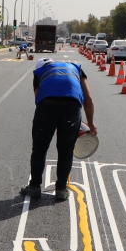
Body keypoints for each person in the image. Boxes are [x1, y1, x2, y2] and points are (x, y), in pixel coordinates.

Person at [20, 58, 97, 201]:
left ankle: (35, 186)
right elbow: (88, 98)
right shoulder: (76, 67)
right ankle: (61, 189)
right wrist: (90, 123)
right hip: (72, 105)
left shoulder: (39, 72)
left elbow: (38, 98)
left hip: (46, 106)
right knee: (66, 149)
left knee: (40, 148)